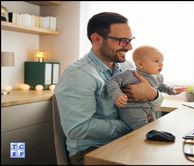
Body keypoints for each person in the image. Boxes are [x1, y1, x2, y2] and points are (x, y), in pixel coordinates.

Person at [54, 12, 164, 165]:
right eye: (122, 41)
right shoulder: (78, 75)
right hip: (91, 151)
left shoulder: (128, 68)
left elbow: (151, 102)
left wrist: (153, 95)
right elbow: (78, 128)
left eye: (130, 40)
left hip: (127, 141)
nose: (130, 47)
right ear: (97, 39)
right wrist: (131, 122)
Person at [107, 45, 188, 130]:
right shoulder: (132, 75)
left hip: (147, 108)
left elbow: (161, 86)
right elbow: (113, 81)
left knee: (153, 126)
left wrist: (172, 90)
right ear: (140, 64)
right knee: (143, 130)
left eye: (162, 60)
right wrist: (117, 94)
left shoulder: (158, 77)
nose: (161, 64)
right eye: (156, 61)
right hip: (131, 109)